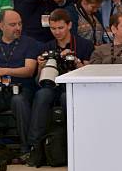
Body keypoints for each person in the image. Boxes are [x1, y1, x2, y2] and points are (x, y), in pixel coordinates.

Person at [29, 9, 93, 159]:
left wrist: (76, 62)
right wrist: (40, 66)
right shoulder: (46, 47)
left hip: (74, 88)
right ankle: (34, 146)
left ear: (69, 25)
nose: (57, 32)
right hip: (52, 85)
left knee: (67, 97)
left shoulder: (84, 45)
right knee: (42, 94)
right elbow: (39, 81)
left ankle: (76, 145)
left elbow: (90, 75)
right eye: (53, 28)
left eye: (60, 28)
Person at [0, 10, 38, 159]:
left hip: (22, 88)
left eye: (19, 24)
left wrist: (3, 70)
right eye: (13, 24)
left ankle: (27, 149)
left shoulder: (29, 43)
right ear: (1, 26)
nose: (18, 27)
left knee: (18, 101)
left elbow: (29, 70)